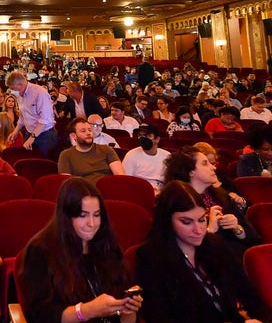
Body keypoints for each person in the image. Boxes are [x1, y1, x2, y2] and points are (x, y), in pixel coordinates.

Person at [136, 181, 272, 323]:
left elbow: (250, 295)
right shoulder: (151, 255)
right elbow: (159, 317)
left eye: (202, 220)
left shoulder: (214, 244)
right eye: (186, 222)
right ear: (167, 221)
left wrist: (264, 320)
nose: (198, 230)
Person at [16, 178, 143, 323]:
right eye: (83, 215)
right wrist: (86, 311)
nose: (92, 223)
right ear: (66, 217)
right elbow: (40, 315)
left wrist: (129, 309)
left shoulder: (107, 246)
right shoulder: (41, 251)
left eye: (97, 215)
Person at [163, 148, 258, 258]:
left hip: (235, 256)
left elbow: (254, 238)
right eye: (205, 164)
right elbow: (174, 249)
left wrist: (237, 229)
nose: (213, 167)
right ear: (190, 172)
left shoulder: (222, 196)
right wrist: (210, 230)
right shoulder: (176, 203)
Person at [6, 70, 58, 156]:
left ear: (20, 85)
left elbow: (44, 120)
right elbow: (23, 115)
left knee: (42, 161)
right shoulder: (19, 95)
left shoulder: (40, 92)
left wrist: (32, 137)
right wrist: (15, 131)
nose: (12, 92)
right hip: (30, 133)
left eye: (13, 89)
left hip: (45, 135)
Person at [58, 117, 125, 184]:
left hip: (107, 187)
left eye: (90, 130)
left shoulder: (106, 149)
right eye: (83, 131)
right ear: (73, 136)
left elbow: (120, 175)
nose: (88, 133)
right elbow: (67, 183)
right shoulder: (66, 155)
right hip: (82, 189)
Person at [122, 125, 171, 192]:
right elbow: (125, 181)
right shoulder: (131, 155)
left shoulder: (166, 155)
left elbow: (170, 180)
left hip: (161, 192)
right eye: (140, 135)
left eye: (148, 136)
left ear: (157, 139)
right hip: (139, 191)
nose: (143, 138)